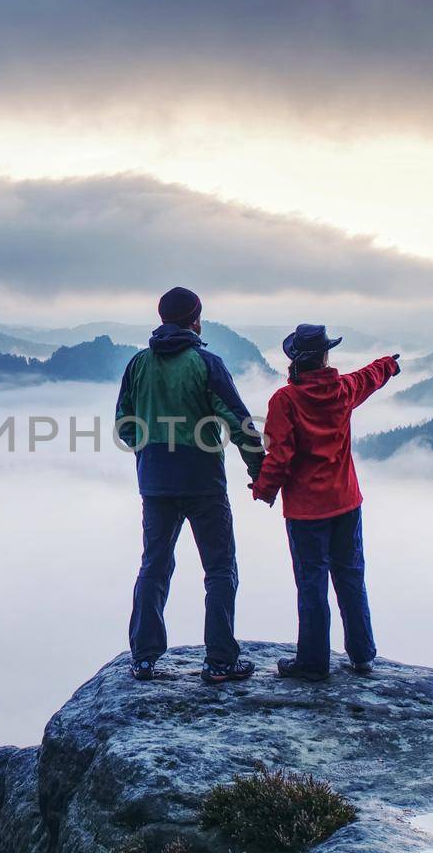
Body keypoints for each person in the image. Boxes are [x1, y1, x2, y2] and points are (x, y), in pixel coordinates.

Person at [115, 286, 265, 684]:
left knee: (155, 565)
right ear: (195, 318)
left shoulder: (137, 365)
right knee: (219, 569)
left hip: (155, 483)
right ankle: (220, 661)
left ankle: (143, 659)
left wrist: (147, 452)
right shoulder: (206, 363)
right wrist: (259, 470)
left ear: (162, 317)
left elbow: (124, 424)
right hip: (203, 483)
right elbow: (238, 422)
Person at [250, 324, 400, 681]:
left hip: (306, 511)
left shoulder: (284, 401)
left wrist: (263, 488)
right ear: (325, 356)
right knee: (350, 576)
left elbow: (281, 454)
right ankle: (362, 654)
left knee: (312, 583)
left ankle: (313, 662)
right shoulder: (343, 389)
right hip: (346, 502)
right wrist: (388, 364)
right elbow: (369, 377)